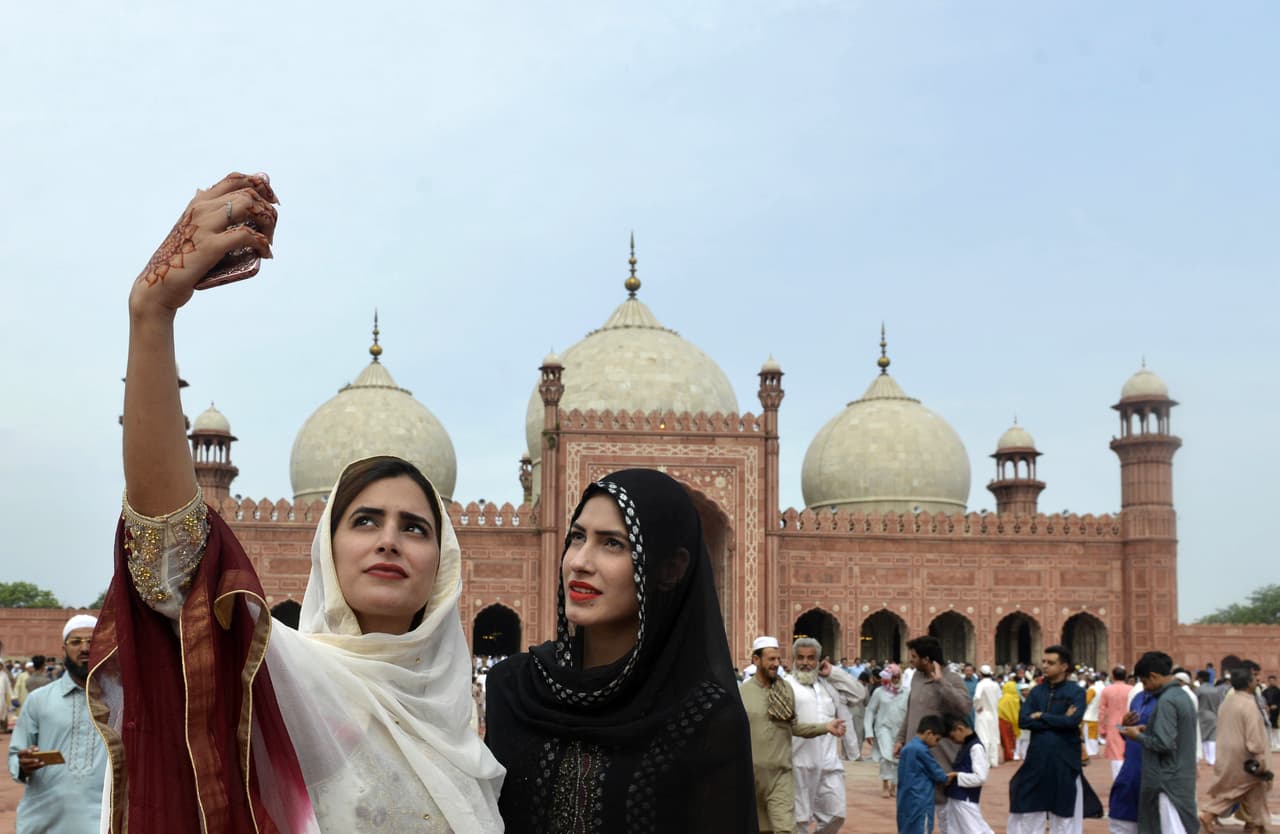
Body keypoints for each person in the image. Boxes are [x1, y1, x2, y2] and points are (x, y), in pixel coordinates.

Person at [98, 172, 504, 832]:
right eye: (365, 519)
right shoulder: (287, 680)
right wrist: (152, 317)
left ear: (446, 563)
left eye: (416, 526)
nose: (389, 539)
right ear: (328, 546)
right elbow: (173, 560)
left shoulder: (463, 731)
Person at [486, 470, 757, 834]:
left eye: (612, 543)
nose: (580, 561)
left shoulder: (703, 717)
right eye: (577, 537)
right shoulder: (514, 687)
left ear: (671, 569)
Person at [8, 615, 108, 833]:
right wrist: (23, 764)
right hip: (44, 821)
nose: (84, 648)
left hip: (101, 822)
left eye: (91, 641)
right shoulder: (39, 700)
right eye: (76, 642)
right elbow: (16, 755)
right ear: (63, 649)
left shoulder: (121, 701)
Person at [736, 637, 841, 834]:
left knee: (786, 829)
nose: (776, 664)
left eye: (778, 659)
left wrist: (826, 727)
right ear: (756, 660)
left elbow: (795, 727)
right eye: (771, 659)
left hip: (780, 775)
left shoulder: (785, 690)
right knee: (760, 829)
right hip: (750, 777)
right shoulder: (742, 694)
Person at [1007, 645, 1102, 834]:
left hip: (1064, 760)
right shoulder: (1037, 692)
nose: (1045, 666)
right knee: (1031, 809)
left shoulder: (1075, 692)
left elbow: (1072, 722)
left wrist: (1041, 716)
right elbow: (1023, 720)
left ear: (1064, 666)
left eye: (1051, 663)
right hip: (1037, 759)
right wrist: (1059, 719)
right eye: (1044, 662)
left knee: (1063, 814)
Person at [1118, 651, 1199, 834]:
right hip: (1180, 775)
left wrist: (1136, 736)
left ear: (1153, 676)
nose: (1145, 688)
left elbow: (1164, 743)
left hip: (1167, 779)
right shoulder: (1182, 695)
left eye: (1145, 682)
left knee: (1172, 828)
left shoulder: (1167, 701)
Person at [787, 638, 852, 834]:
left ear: (819, 661)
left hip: (829, 763)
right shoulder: (786, 686)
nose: (805, 662)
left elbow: (858, 694)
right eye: (800, 658)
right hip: (799, 762)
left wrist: (833, 672)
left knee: (836, 815)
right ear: (793, 660)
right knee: (800, 820)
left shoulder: (828, 686)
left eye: (810, 658)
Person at [1198, 666, 1274, 833]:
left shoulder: (1228, 702)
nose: (1258, 681)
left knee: (1251, 790)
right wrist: (1260, 759)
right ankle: (1210, 813)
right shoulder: (1249, 704)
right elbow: (1254, 739)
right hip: (1246, 756)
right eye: (1254, 678)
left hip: (1227, 753)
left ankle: (1258, 826)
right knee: (1242, 788)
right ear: (1248, 683)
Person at [894, 636, 972, 785]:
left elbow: (965, 707)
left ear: (926, 659)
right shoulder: (917, 677)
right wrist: (900, 739)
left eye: (914, 657)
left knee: (940, 799)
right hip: (915, 750)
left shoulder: (952, 678)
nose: (911, 660)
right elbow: (911, 711)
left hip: (940, 754)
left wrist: (940, 682)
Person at [1108, 681, 1159, 834]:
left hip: (1157, 773)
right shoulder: (1137, 697)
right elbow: (1126, 733)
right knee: (1122, 819)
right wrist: (1123, 727)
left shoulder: (1171, 700)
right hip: (1131, 770)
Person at [897, 715, 955, 834]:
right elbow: (938, 773)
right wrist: (949, 777)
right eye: (937, 739)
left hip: (905, 799)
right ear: (929, 733)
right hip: (921, 801)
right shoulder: (921, 750)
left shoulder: (907, 748)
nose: (936, 744)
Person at [939, 714, 994, 834]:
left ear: (960, 729)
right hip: (958, 797)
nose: (953, 741)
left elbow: (980, 777)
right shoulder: (966, 746)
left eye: (952, 737)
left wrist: (956, 775)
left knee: (974, 830)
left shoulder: (976, 747)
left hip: (965, 798)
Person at [866, 665, 908, 799]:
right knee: (885, 757)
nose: (895, 679)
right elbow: (870, 710)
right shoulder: (879, 692)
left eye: (897, 676)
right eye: (893, 677)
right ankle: (885, 783)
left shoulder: (906, 692)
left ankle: (894, 785)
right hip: (883, 728)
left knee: (897, 758)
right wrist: (868, 731)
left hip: (900, 730)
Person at [1099, 666, 1134, 778]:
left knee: (1116, 753)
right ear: (1125, 676)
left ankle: (1118, 780)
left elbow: (1102, 712)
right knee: (1127, 750)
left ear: (1113, 676)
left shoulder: (1107, 690)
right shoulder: (1131, 689)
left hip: (1114, 725)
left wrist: (1102, 728)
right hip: (1128, 724)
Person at [972, 666, 1001, 767]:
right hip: (993, 713)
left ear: (980, 674)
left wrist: (978, 707)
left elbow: (977, 697)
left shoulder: (981, 684)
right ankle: (994, 760)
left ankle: (985, 761)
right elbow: (999, 698)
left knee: (984, 736)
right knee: (993, 736)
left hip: (983, 713)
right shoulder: (995, 685)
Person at [1196, 670, 1223, 766]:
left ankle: (1202, 757)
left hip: (1201, 714)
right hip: (1213, 715)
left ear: (1200, 678)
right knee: (1212, 738)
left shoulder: (1199, 690)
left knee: (1202, 737)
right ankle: (1211, 759)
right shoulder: (1215, 690)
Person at [997, 680, 1021, 763]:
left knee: (1004, 739)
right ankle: (1010, 755)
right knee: (1010, 739)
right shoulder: (1014, 698)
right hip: (1009, 721)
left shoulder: (1004, 697)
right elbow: (1015, 711)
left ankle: (1007, 755)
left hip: (1001, 719)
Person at [1263, 674, 1280, 751]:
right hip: (1267, 711)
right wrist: (1265, 706)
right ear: (1268, 681)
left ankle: (1276, 743)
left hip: (1276, 711)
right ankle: (1269, 743)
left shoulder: (1278, 691)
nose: (1271, 682)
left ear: (1275, 681)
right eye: (1270, 681)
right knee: (1267, 727)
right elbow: (1262, 700)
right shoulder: (1265, 691)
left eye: (1273, 681)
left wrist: (1276, 705)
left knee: (1275, 726)